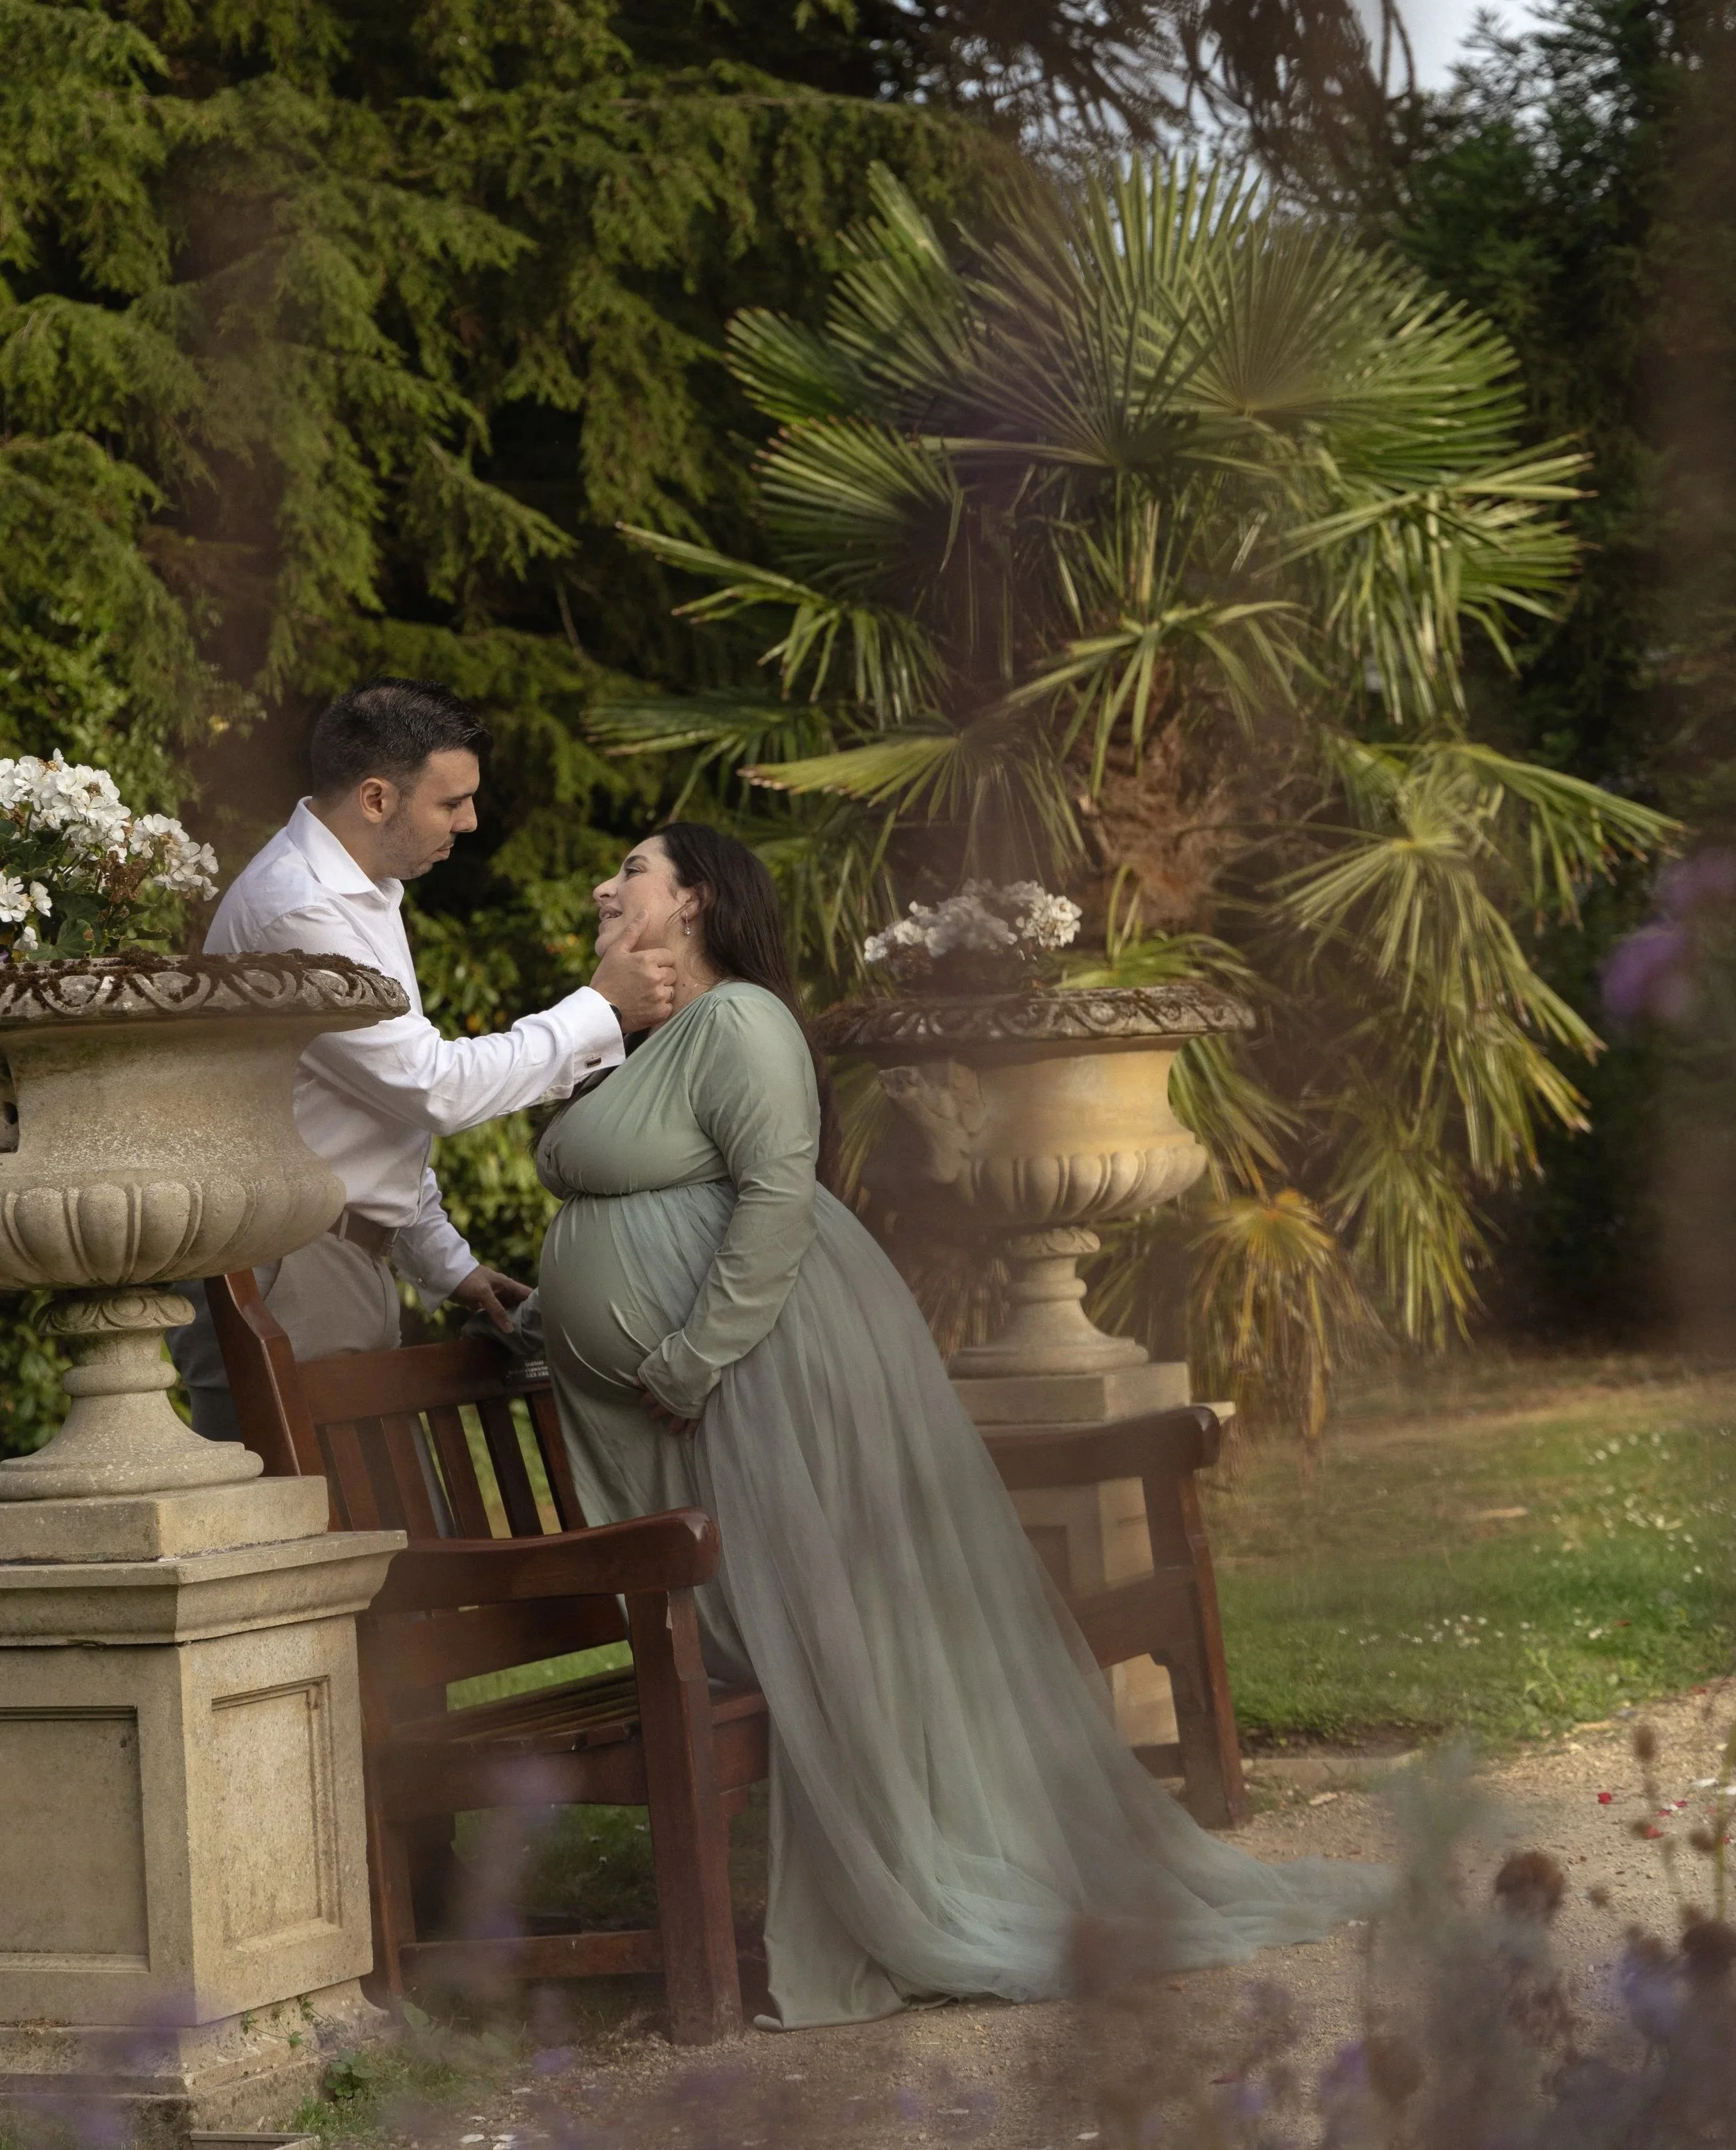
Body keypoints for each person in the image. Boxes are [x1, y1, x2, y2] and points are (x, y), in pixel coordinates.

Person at [521, 822, 1387, 2031]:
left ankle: (930, 1877)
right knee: (826, 1631)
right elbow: (664, 1197)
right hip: (720, 1388)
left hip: (752, 1376)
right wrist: (555, 1315)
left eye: (634, 871)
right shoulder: (653, 1038)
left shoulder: (740, 1023)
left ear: (697, 903)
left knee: (837, 1629)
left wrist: (689, 1353)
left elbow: (778, 1191)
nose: (607, 883)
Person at [170, 680, 676, 1442]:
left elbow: (368, 1114)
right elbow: (430, 1088)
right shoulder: (300, 911)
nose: (470, 822)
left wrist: (445, 1265)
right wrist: (600, 1009)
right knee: (328, 1541)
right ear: (376, 798)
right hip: (288, 1268)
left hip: (330, 1261)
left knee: (377, 1537)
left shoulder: (362, 893)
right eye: (451, 803)